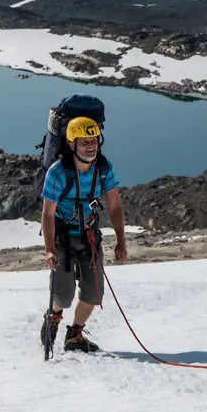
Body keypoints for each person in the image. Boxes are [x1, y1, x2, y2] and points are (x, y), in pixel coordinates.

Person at [40, 115, 128, 353]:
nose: (91, 146)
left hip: (89, 236)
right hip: (63, 239)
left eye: (94, 140)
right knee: (64, 295)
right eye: (84, 141)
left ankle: (75, 334)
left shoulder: (103, 169)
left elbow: (115, 206)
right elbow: (48, 214)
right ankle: (54, 315)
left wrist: (121, 241)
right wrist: (49, 249)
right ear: (71, 144)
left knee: (94, 292)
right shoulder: (58, 173)